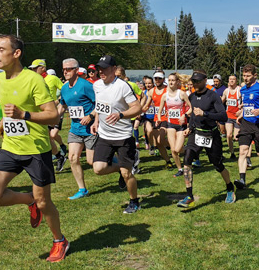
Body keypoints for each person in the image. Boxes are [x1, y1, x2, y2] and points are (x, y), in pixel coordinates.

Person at [0, 34, 68, 263]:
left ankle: (59, 240)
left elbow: (51, 115)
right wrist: (0, 125)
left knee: (45, 202)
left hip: (36, 150)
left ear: (16, 53)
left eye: (0, 49)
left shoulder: (34, 80)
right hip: (10, 147)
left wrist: (24, 115)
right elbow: (7, 109)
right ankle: (28, 200)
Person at [91, 54, 143, 214]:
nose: (101, 71)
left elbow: (137, 108)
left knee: (127, 174)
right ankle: (120, 168)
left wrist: (121, 115)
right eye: (99, 68)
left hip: (123, 136)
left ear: (114, 69)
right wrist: (95, 121)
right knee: (98, 169)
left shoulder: (122, 86)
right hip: (104, 135)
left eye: (105, 68)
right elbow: (100, 106)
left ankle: (134, 201)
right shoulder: (97, 85)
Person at [177, 70, 236, 207]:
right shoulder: (192, 96)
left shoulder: (213, 96)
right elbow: (193, 115)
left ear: (205, 81)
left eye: (198, 81)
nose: (195, 84)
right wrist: (189, 128)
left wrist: (206, 114)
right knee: (187, 159)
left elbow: (223, 116)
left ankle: (229, 187)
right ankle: (189, 195)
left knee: (217, 164)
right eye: (194, 81)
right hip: (196, 133)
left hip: (211, 134)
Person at [58, 58, 97, 200]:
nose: (65, 72)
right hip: (75, 129)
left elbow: (100, 103)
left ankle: (121, 166)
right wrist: (52, 118)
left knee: (92, 162)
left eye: (68, 69)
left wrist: (91, 116)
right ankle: (82, 189)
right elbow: (62, 106)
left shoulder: (86, 85)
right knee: (73, 158)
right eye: (63, 69)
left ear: (76, 70)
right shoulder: (63, 88)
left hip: (90, 128)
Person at [29, 59, 67, 171]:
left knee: (51, 136)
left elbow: (65, 90)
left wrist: (57, 102)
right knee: (45, 137)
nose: (33, 70)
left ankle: (57, 154)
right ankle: (59, 156)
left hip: (54, 112)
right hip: (40, 113)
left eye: (35, 68)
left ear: (43, 68)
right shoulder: (34, 80)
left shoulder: (52, 78)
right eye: (32, 68)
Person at [158, 73, 192, 177]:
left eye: (173, 80)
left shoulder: (181, 94)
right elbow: (159, 111)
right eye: (169, 80)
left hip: (181, 125)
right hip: (170, 124)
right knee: (173, 150)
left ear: (177, 82)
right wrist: (159, 118)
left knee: (178, 149)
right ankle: (180, 169)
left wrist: (184, 116)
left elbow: (191, 108)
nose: (171, 82)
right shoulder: (165, 96)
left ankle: (189, 149)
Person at [148, 71, 173, 168]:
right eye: (155, 78)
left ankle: (178, 148)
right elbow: (146, 105)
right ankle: (168, 161)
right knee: (158, 143)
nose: (157, 80)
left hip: (166, 118)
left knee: (160, 139)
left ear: (163, 79)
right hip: (156, 119)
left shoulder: (168, 90)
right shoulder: (151, 91)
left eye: (159, 78)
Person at [222, 74, 242, 160]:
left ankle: (243, 149)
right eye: (230, 79)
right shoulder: (226, 91)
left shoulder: (240, 90)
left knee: (236, 137)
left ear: (236, 81)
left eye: (233, 79)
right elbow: (221, 101)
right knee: (229, 135)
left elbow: (246, 101)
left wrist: (241, 109)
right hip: (229, 115)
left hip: (237, 116)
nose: (231, 81)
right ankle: (232, 153)